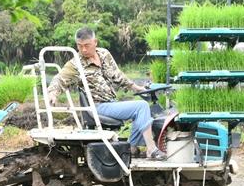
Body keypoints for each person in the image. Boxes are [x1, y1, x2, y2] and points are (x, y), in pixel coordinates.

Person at [46, 27, 167, 160]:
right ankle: (151, 148)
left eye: (87, 45)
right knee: (141, 106)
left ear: (95, 42)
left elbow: (117, 75)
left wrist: (136, 88)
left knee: (141, 110)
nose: (84, 50)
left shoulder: (104, 54)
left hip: (111, 103)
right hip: (98, 106)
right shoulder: (75, 64)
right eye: (80, 46)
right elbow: (59, 79)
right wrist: (52, 93)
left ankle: (131, 148)